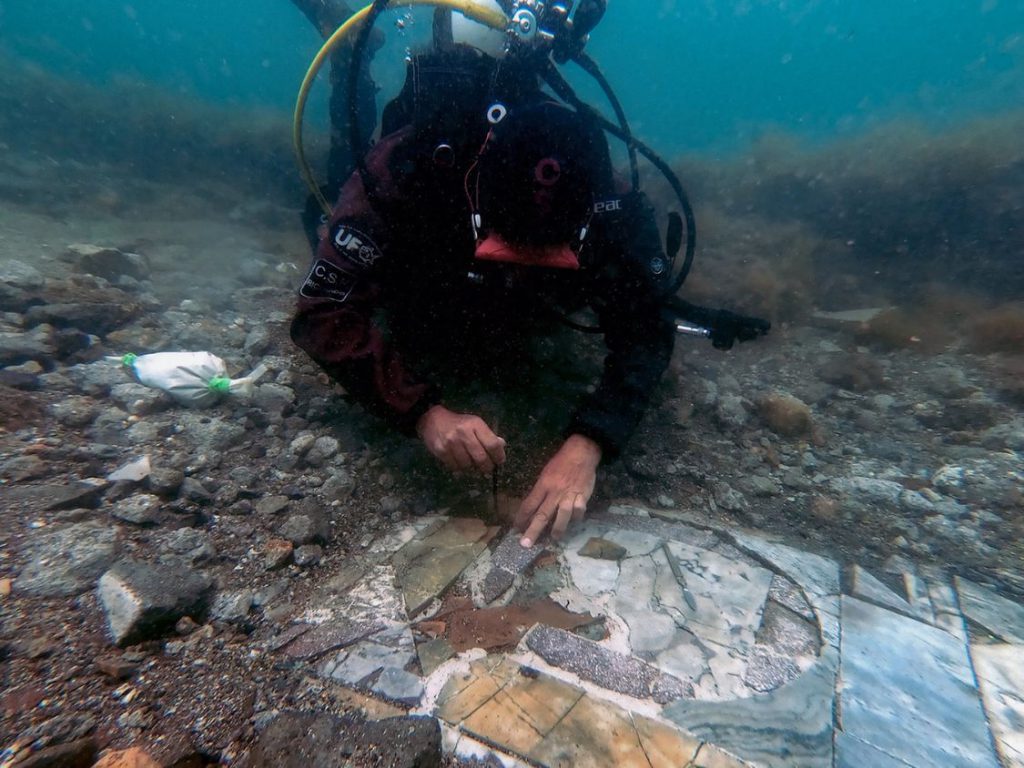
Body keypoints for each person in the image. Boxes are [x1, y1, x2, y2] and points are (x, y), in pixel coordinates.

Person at [290, 3, 675, 548]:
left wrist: (590, 441)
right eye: (509, 250)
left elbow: (648, 324)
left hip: (511, 302)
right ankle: (350, 53)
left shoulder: (599, 189)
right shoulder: (409, 165)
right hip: (423, 282)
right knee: (337, 179)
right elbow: (322, 312)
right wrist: (423, 412)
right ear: (474, 203)